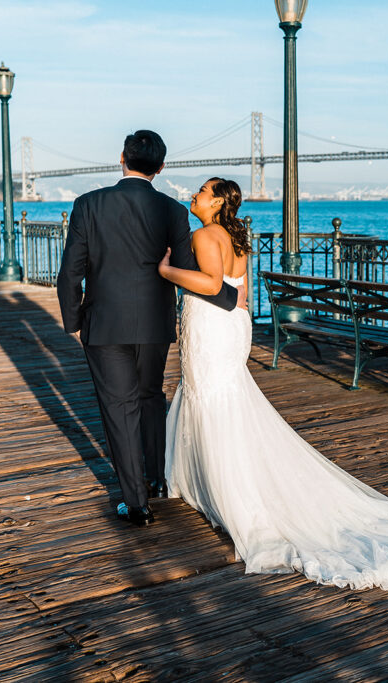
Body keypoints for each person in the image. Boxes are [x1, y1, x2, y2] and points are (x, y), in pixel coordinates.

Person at [158, 177, 388, 590]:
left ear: (217, 202)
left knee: (214, 403)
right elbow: (242, 296)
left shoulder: (205, 235)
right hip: (233, 327)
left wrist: (168, 271)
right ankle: (217, 481)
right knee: (226, 401)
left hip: (213, 327)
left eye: (202, 191)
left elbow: (214, 286)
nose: (194, 195)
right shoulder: (235, 236)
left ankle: (227, 493)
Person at [56, 131, 244, 527]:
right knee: (150, 397)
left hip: (104, 323)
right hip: (156, 323)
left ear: (121, 158)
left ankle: (137, 502)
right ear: (160, 168)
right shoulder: (173, 211)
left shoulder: (88, 204)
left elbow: (71, 271)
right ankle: (158, 480)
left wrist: (73, 319)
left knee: (119, 408)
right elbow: (190, 271)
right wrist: (232, 296)